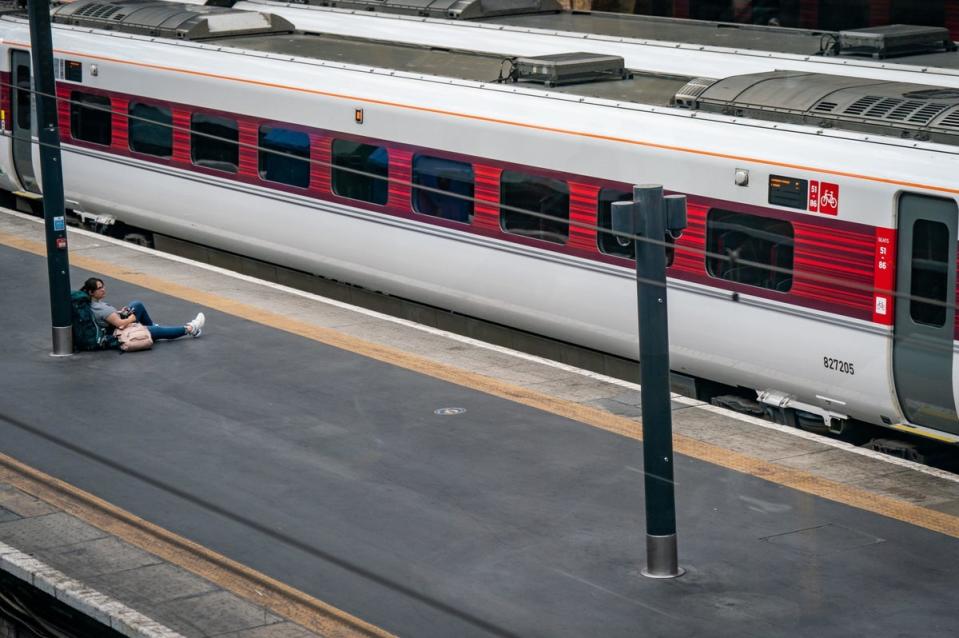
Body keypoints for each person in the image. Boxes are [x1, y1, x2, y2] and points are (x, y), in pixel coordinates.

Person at [80, 277, 205, 342]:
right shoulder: (100, 308)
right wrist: (131, 318)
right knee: (158, 331)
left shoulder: (92, 302)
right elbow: (119, 323)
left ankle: (151, 327)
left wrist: (119, 313)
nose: (103, 289)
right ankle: (191, 328)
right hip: (120, 332)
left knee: (137, 304)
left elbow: (108, 318)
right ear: (91, 292)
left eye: (103, 286)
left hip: (115, 325)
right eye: (99, 288)